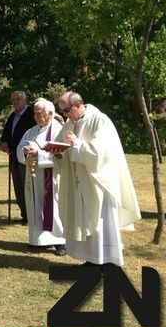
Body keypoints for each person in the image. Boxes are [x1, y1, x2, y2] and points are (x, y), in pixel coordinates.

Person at [54, 92, 140, 266]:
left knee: (100, 222)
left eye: (67, 110)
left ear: (78, 105)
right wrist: (57, 153)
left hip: (98, 182)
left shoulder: (100, 120)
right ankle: (90, 259)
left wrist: (77, 144)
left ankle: (105, 261)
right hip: (78, 182)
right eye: (62, 111)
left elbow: (102, 153)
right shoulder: (69, 124)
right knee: (83, 218)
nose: (65, 115)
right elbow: (61, 148)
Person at [17, 98, 66, 255]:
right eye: (34, 113)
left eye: (38, 113)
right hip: (33, 176)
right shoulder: (31, 131)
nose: (35, 116)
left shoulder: (59, 131)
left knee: (53, 208)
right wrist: (24, 151)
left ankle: (59, 241)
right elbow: (20, 147)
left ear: (49, 114)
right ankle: (38, 240)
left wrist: (39, 154)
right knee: (34, 207)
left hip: (51, 177)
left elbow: (63, 154)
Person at [0, 91, 36, 224]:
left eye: (18, 99)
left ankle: (31, 215)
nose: (15, 102)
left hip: (27, 156)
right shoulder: (12, 116)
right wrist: (4, 142)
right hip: (13, 155)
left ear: (25, 101)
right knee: (18, 185)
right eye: (13, 100)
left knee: (27, 185)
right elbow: (6, 133)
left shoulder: (32, 115)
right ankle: (24, 214)